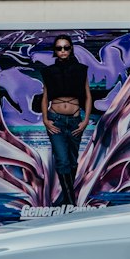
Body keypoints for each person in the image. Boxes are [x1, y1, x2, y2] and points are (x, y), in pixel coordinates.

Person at [40, 35, 92, 206]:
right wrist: (46, 120)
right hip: (55, 120)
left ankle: (68, 197)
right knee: (62, 160)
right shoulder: (48, 72)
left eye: (66, 47)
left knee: (72, 160)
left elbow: (88, 95)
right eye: (59, 48)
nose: (62, 51)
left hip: (76, 120)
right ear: (55, 51)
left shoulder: (81, 69)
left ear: (71, 49)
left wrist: (85, 121)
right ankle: (71, 202)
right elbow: (45, 96)